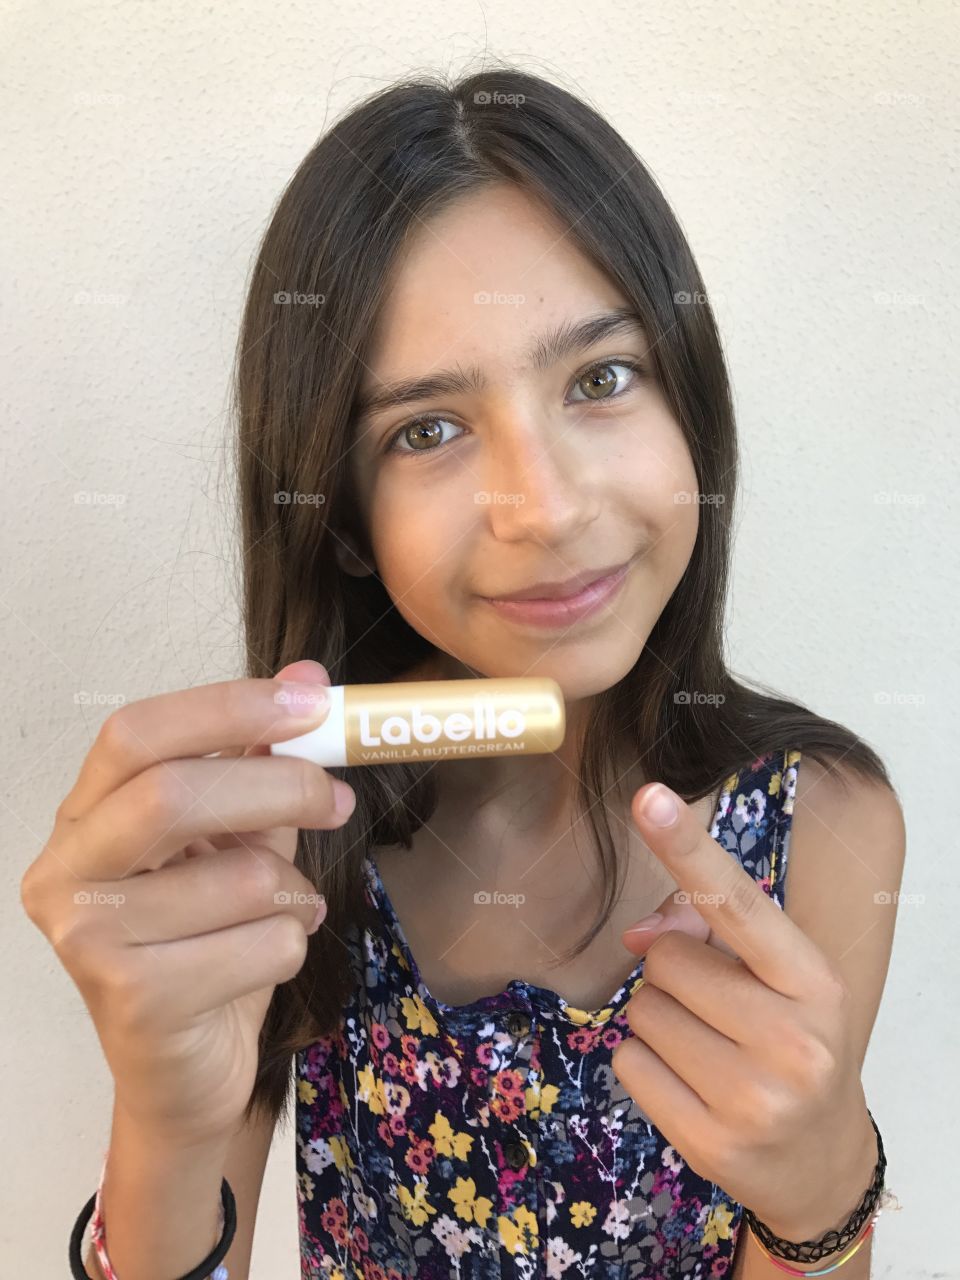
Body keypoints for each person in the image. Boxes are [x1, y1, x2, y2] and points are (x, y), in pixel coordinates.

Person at [22, 65, 905, 1280]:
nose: (542, 507)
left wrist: (822, 1194)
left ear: (690, 403)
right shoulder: (285, 844)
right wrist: (166, 1123)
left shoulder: (829, 827)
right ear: (341, 517)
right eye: (426, 429)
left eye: (600, 376)